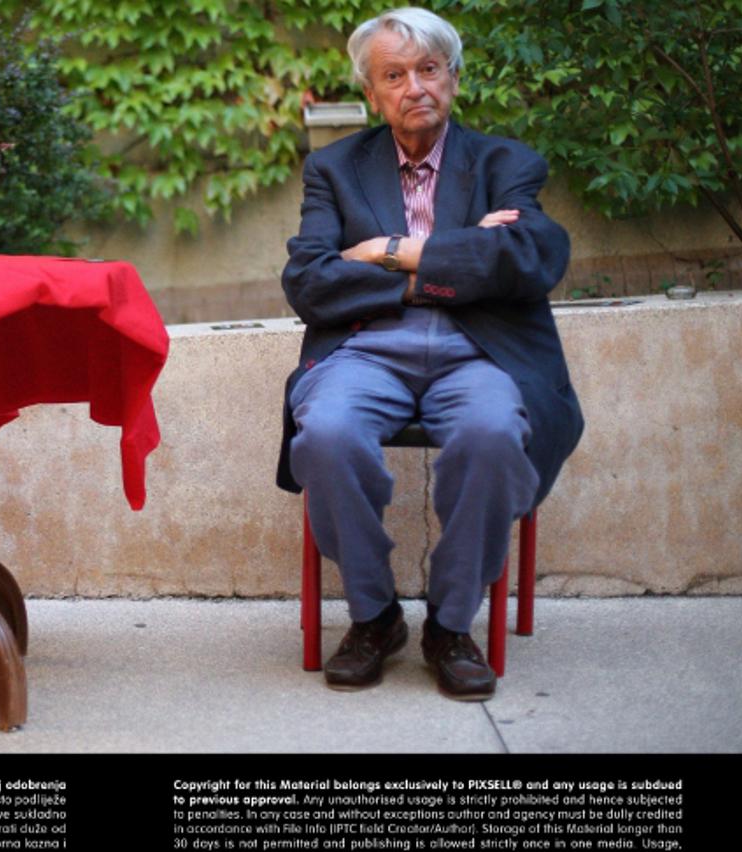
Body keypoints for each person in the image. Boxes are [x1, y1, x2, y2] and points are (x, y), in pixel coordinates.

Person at [277, 6, 584, 700]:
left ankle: (450, 623)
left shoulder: (505, 162)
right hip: (366, 348)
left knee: (492, 434)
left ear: (453, 77)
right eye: (395, 75)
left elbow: (532, 258)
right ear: (372, 92)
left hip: (480, 348)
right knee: (325, 434)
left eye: (429, 68)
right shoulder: (334, 168)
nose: (414, 86)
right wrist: (461, 259)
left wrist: (386, 251)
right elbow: (309, 282)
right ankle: (375, 615)